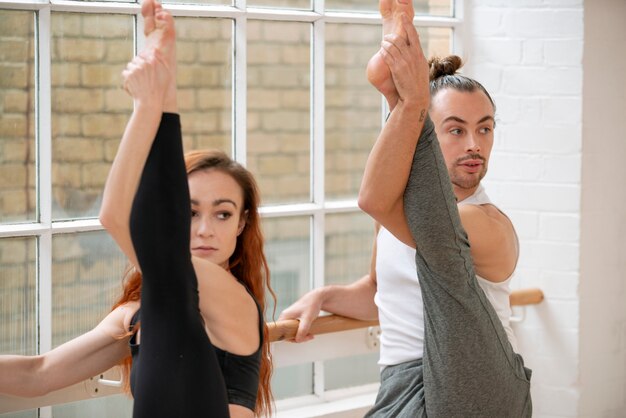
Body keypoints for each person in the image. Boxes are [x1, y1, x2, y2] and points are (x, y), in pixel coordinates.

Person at [0, 1, 273, 417]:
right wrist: (162, 76)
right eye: (188, 213)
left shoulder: (235, 304)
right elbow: (38, 375)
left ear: (242, 225)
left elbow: (117, 217)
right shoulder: (142, 315)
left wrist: (151, 103)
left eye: (222, 214)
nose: (203, 230)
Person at [280, 3, 531, 417]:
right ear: (428, 130)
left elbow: (373, 200)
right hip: (403, 379)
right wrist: (324, 296)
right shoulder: (397, 221)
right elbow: (381, 295)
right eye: (455, 129)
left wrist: (407, 98)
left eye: (485, 128)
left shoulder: (486, 223)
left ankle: (395, 91)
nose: (474, 144)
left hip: (476, 378)